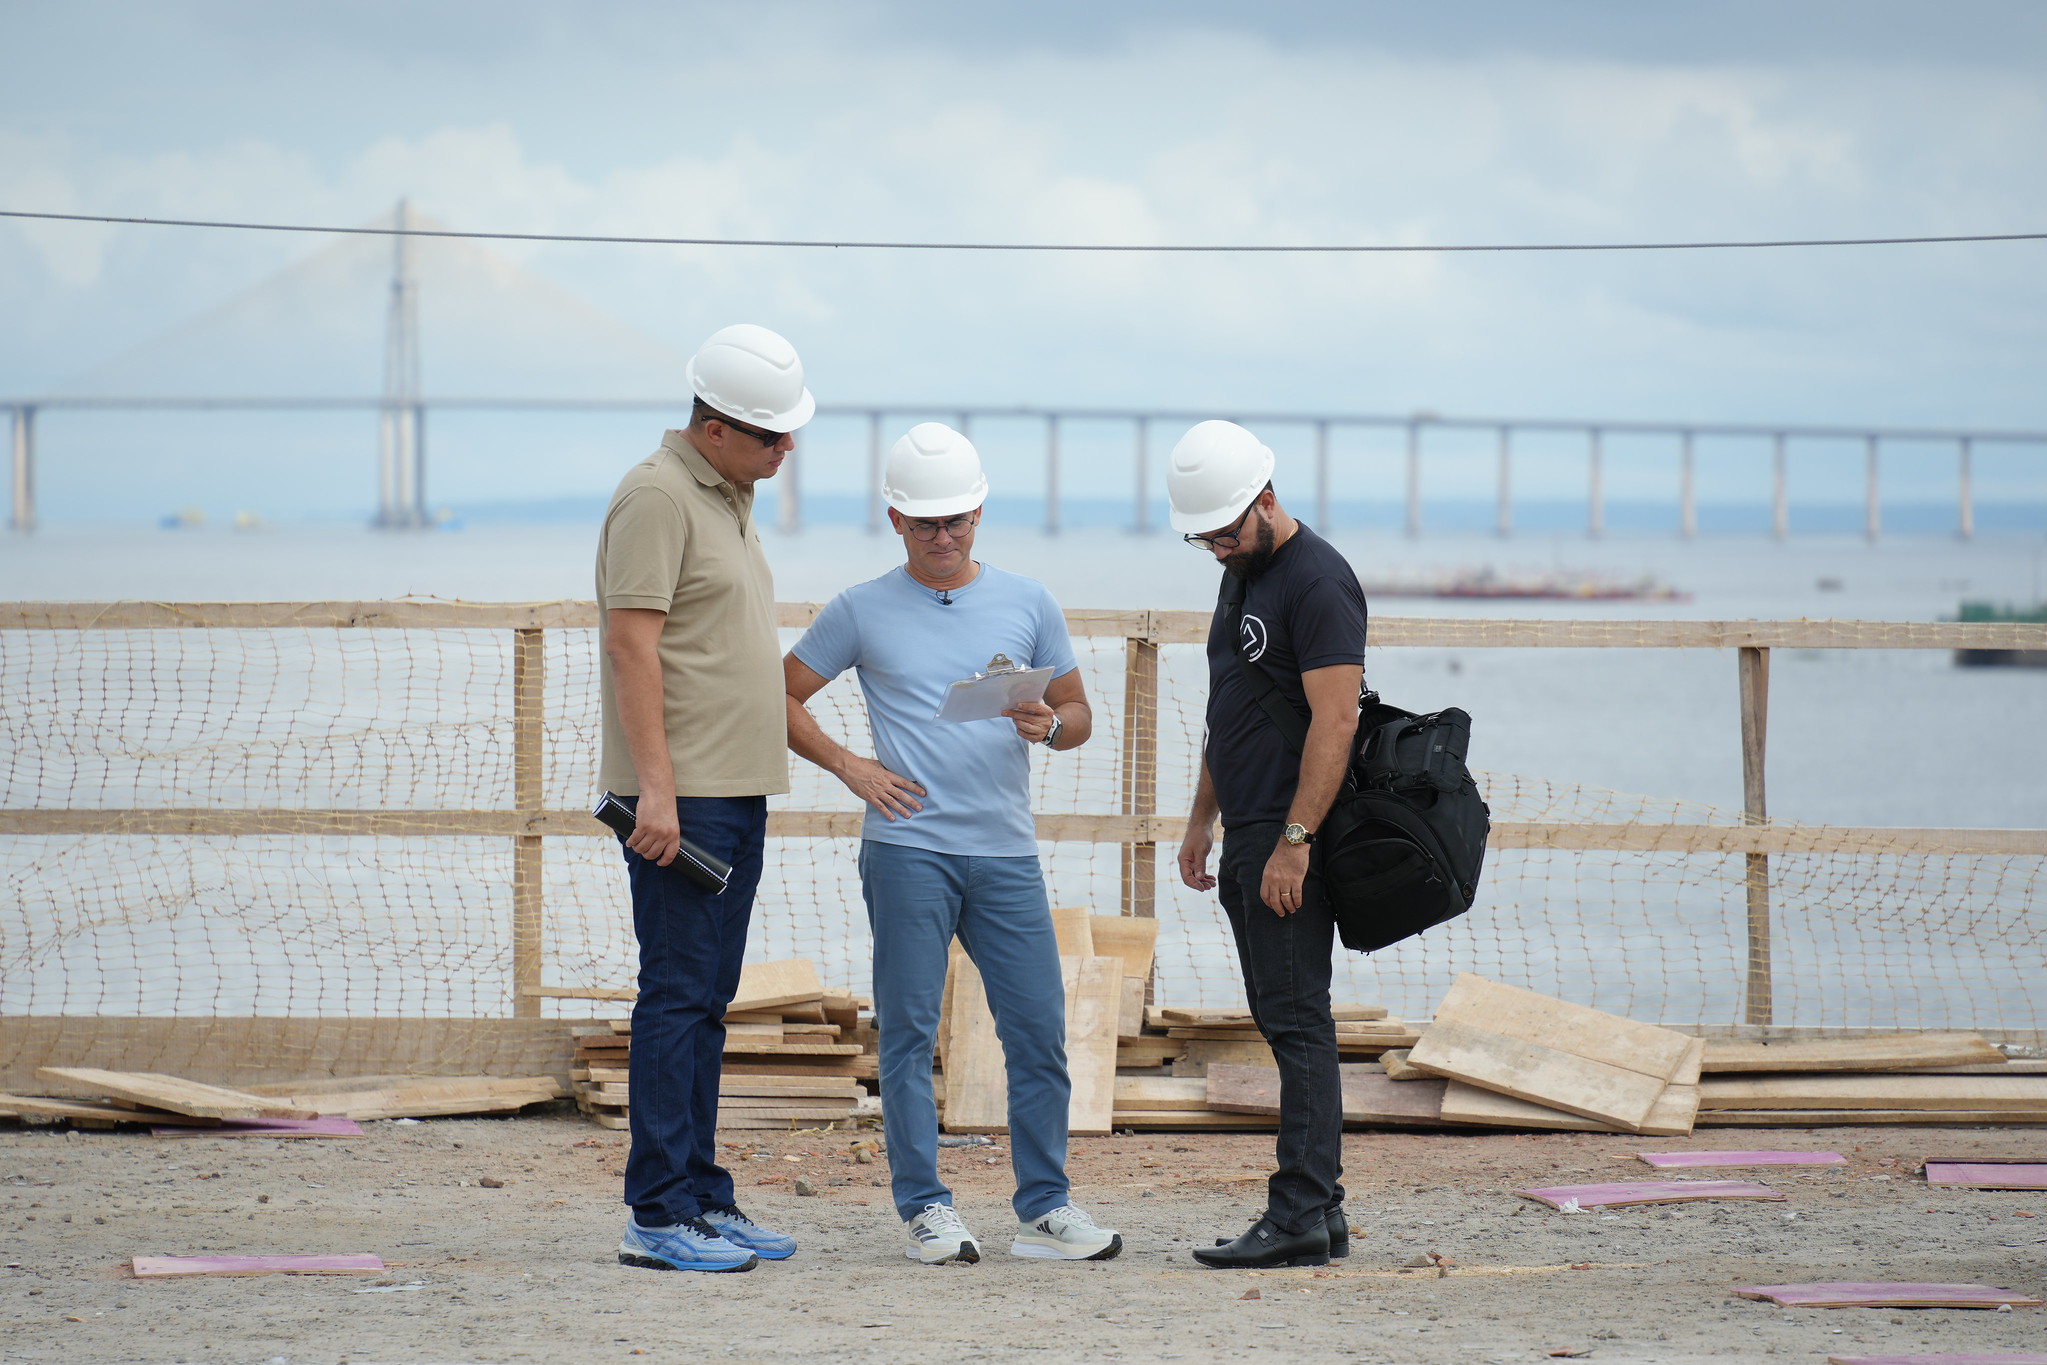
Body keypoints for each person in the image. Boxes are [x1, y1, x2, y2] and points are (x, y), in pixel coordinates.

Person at [783, 422, 1123, 1266]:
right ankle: (925, 1208)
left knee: (1039, 1029)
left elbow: (1078, 716)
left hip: (1005, 851)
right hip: (907, 849)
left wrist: (1049, 727)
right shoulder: (859, 607)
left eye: (958, 521)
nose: (943, 538)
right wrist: (848, 764)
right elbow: (778, 694)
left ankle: (1044, 1207)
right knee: (904, 1030)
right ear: (894, 519)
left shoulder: (1029, 600)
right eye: (926, 523)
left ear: (978, 512)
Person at [597, 323, 814, 1273]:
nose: (787, 449)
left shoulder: (726, 494)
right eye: (773, 435)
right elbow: (629, 644)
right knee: (676, 996)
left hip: (733, 790)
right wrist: (656, 790)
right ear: (717, 427)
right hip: (682, 801)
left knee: (707, 1000)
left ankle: (700, 1194)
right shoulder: (655, 495)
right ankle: (657, 1211)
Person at [1168, 420, 1368, 1270]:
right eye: (1201, 535)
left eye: (1224, 529)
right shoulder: (1239, 572)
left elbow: (1336, 718)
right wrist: (1199, 817)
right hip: (1246, 826)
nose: (1214, 546)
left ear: (1266, 499)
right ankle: (1320, 1211)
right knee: (1283, 1016)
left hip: (1291, 835)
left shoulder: (1317, 580)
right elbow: (1231, 707)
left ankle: (1296, 1214)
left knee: (1296, 1023)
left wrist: (1294, 840)